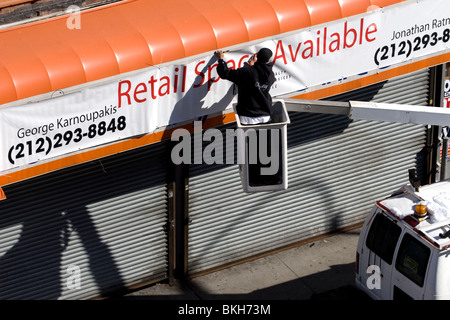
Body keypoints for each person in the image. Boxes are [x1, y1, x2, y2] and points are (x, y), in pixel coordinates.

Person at [214, 48, 276, 125]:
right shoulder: (271, 75)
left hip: (247, 118)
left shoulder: (246, 72)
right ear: (268, 60)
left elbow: (224, 73)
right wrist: (252, 68)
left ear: (256, 56)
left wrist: (220, 59)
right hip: (265, 118)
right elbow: (257, 79)